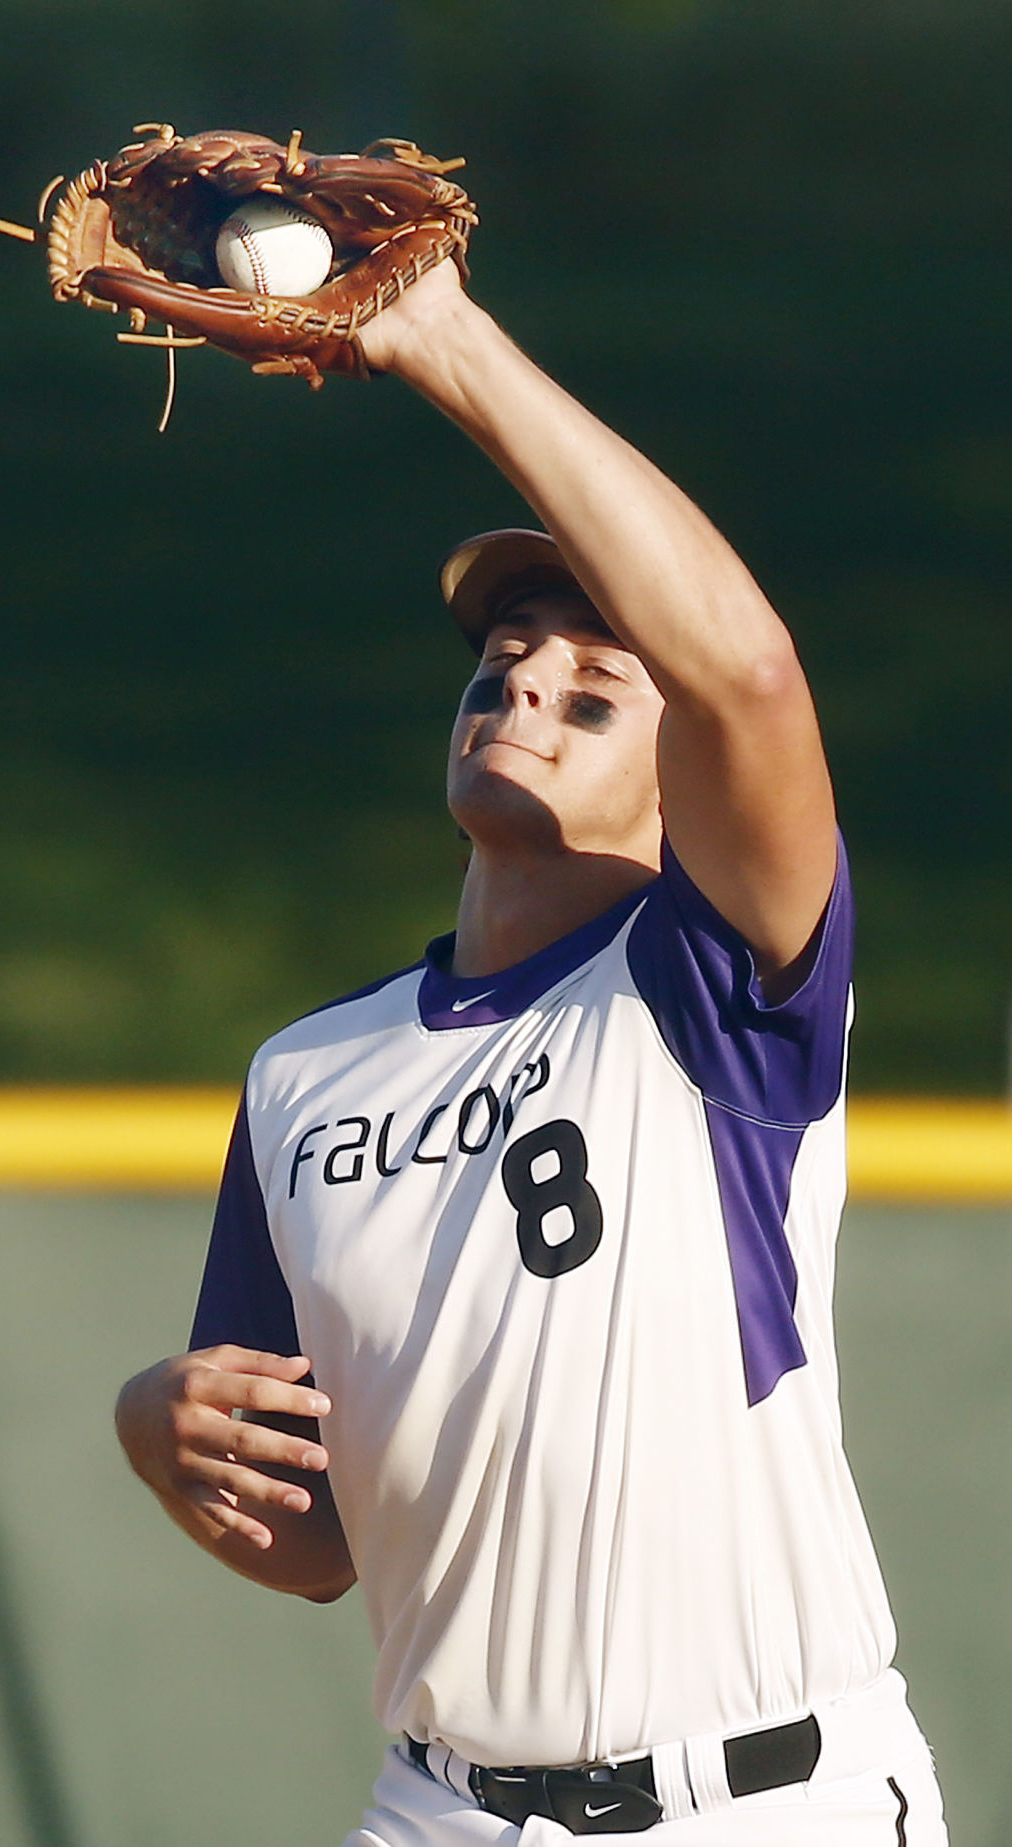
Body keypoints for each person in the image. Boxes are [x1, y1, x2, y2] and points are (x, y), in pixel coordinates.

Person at [115, 259, 950, 1844]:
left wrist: (438, 336)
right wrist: (162, 1442)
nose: (528, 676)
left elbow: (746, 674)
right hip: (439, 1809)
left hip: (761, 1800)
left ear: (684, 777)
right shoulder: (304, 1075)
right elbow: (312, 1545)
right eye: (504, 654)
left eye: (596, 681)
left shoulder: (716, 984)